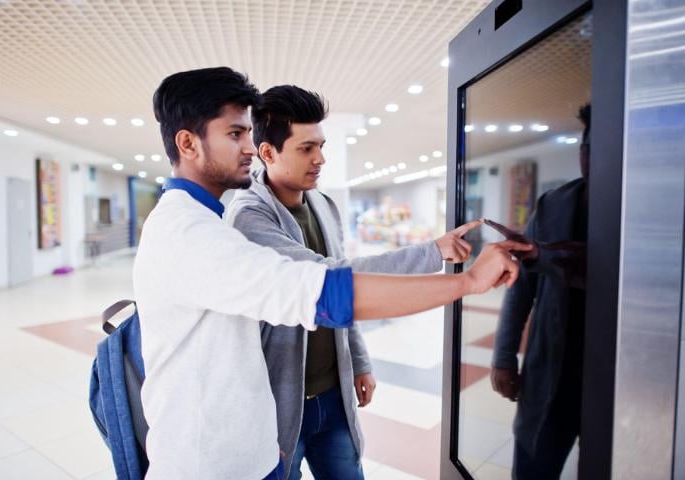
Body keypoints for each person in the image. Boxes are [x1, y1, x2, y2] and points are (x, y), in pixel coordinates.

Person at [134, 66, 529, 480]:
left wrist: (357, 360)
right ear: (187, 143)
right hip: (214, 461)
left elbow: (333, 284)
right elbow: (324, 288)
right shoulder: (195, 233)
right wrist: (465, 281)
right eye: (236, 134)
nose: (249, 147)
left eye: (248, 133)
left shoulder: (211, 222)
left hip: (250, 448)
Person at [226, 84, 481, 479]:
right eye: (306, 148)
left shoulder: (324, 205)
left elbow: (347, 299)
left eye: (321, 146)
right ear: (268, 152)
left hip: (333, 393)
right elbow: (330, 280)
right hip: (279, 403)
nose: (320, 158)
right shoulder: (248, 217)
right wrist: (433, 254)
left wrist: (358, 361)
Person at [490, 104, 590, 479]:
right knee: (533, 465)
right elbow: (521, 287)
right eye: (589, 149)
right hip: (550, 368)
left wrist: (542, 254)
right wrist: (503, 357)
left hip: (616, 380)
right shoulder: (554, 204)